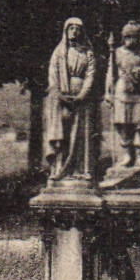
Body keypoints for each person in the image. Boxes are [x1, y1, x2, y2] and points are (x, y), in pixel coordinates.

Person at [44, 17, 97, 183]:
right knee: (61, 133)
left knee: (81, 134)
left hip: (81, 97)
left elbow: (91, 75)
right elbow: (52, 74)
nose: (74, 31)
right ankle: (59, 168)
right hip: (61, 98)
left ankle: (80, 169)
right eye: (71, 28)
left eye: (77, 29)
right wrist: (59, 93)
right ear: (66, 31)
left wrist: (82, 94)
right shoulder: (59, 53)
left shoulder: (87, 53)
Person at [107, 21, 140, 173]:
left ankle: (139, 155)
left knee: (139, 124)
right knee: (124, 124)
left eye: (134, 37)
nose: (131, 41)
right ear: (124, 38)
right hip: (122, 91)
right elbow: (111, 72)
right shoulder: (117, 52)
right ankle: (126, 155)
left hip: (138, 92)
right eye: (128, 37)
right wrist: (108, 93)